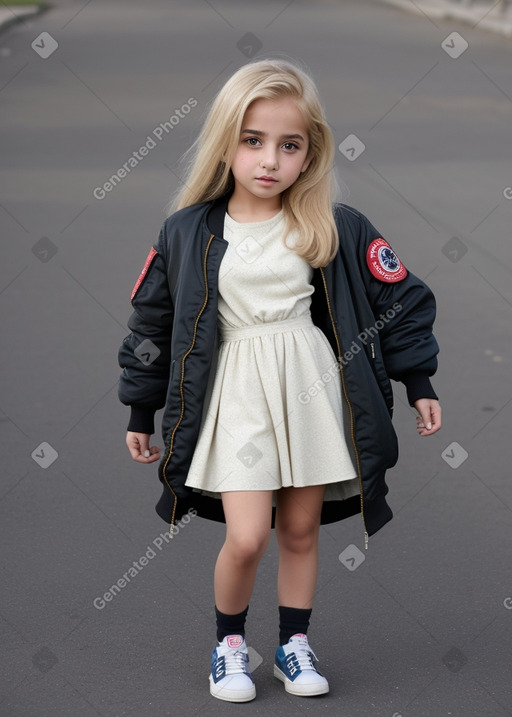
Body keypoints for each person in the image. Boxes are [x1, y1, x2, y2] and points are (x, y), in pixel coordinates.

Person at [118, 57, 441, 703]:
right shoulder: (187, 231)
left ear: (309, 152)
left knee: (299, 530)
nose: (270, 159)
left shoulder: (333, 224)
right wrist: (139, 408)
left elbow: (398, 297)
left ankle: (294, 643)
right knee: (246, 535)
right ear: (226, 143)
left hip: (311, 385)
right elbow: (151, 322)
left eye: (289, 145)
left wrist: (418, 380)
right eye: (253, 140)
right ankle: (230, 645)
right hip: (234, 389)